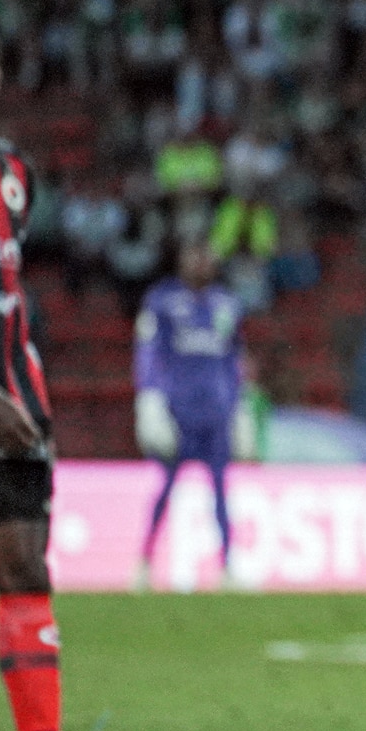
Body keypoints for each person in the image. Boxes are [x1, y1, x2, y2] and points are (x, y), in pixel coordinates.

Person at [0, 1, 134, 731]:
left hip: (10, 412)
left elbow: (7, 296)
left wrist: (24, 399)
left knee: (26, 568)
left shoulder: (15, 174)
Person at [134, 242, 245, 589]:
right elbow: (148, 352)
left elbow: (233, 358)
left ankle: (227, 567)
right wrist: (150, 399)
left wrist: (238, 403)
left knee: (221, 490)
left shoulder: (226, 304)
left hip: (216, 412)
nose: (200, 263)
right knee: (166, 488)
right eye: (194, 257)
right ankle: (144, 563)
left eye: (205, 258)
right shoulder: (162, 301)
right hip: (177, 411)